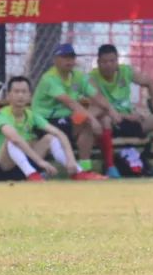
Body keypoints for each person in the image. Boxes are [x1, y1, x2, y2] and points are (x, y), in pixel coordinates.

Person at [90, 43, 153, 178]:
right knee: (105, 119)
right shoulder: (92, 78)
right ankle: (111, 168)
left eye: (112, 61)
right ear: (98, 62)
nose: (109, 65)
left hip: (130, 118)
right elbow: (100, 106)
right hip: (112, 120)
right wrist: (127, 116)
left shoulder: (126, 71)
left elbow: (149, 82)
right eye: (104, 62)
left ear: (117, 61)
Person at [31, 43, 110, 179]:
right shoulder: (49, 78)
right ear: (55, 60)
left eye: (71, 57)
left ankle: (86, 169)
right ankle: (80, 172)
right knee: (87, 121)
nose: (69, 61)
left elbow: (96, 96)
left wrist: (113, 112)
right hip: (45, 121)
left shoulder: (77, 76)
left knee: (94, 114)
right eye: (64, 57)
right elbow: (70, 103)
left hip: (66, 119)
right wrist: (93, 120)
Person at [0, 75, 84, 182]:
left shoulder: (32, 115)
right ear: (8, 95)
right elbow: (14, 139)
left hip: (22, 167)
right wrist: (40, 162)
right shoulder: (1, 115)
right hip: (0, 170)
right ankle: (32, 175)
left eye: (24, 92)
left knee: (50, 138)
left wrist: (71, 159)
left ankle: (78, 172)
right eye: (16, 91)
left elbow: (59, 133)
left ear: (29, 96)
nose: (20, 95)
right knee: (12, 140)